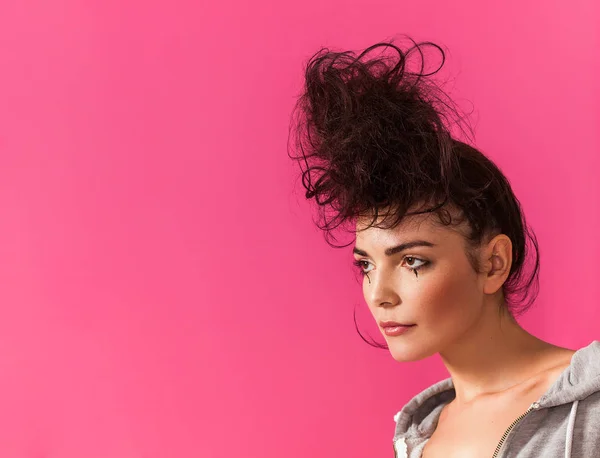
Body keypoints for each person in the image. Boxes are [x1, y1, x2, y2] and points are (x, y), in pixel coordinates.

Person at [287, 38, 600, 457]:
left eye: (412, 261)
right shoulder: (418, 437)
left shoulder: (590, 408)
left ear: (493, 263)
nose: (380, 295)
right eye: (367, 265)